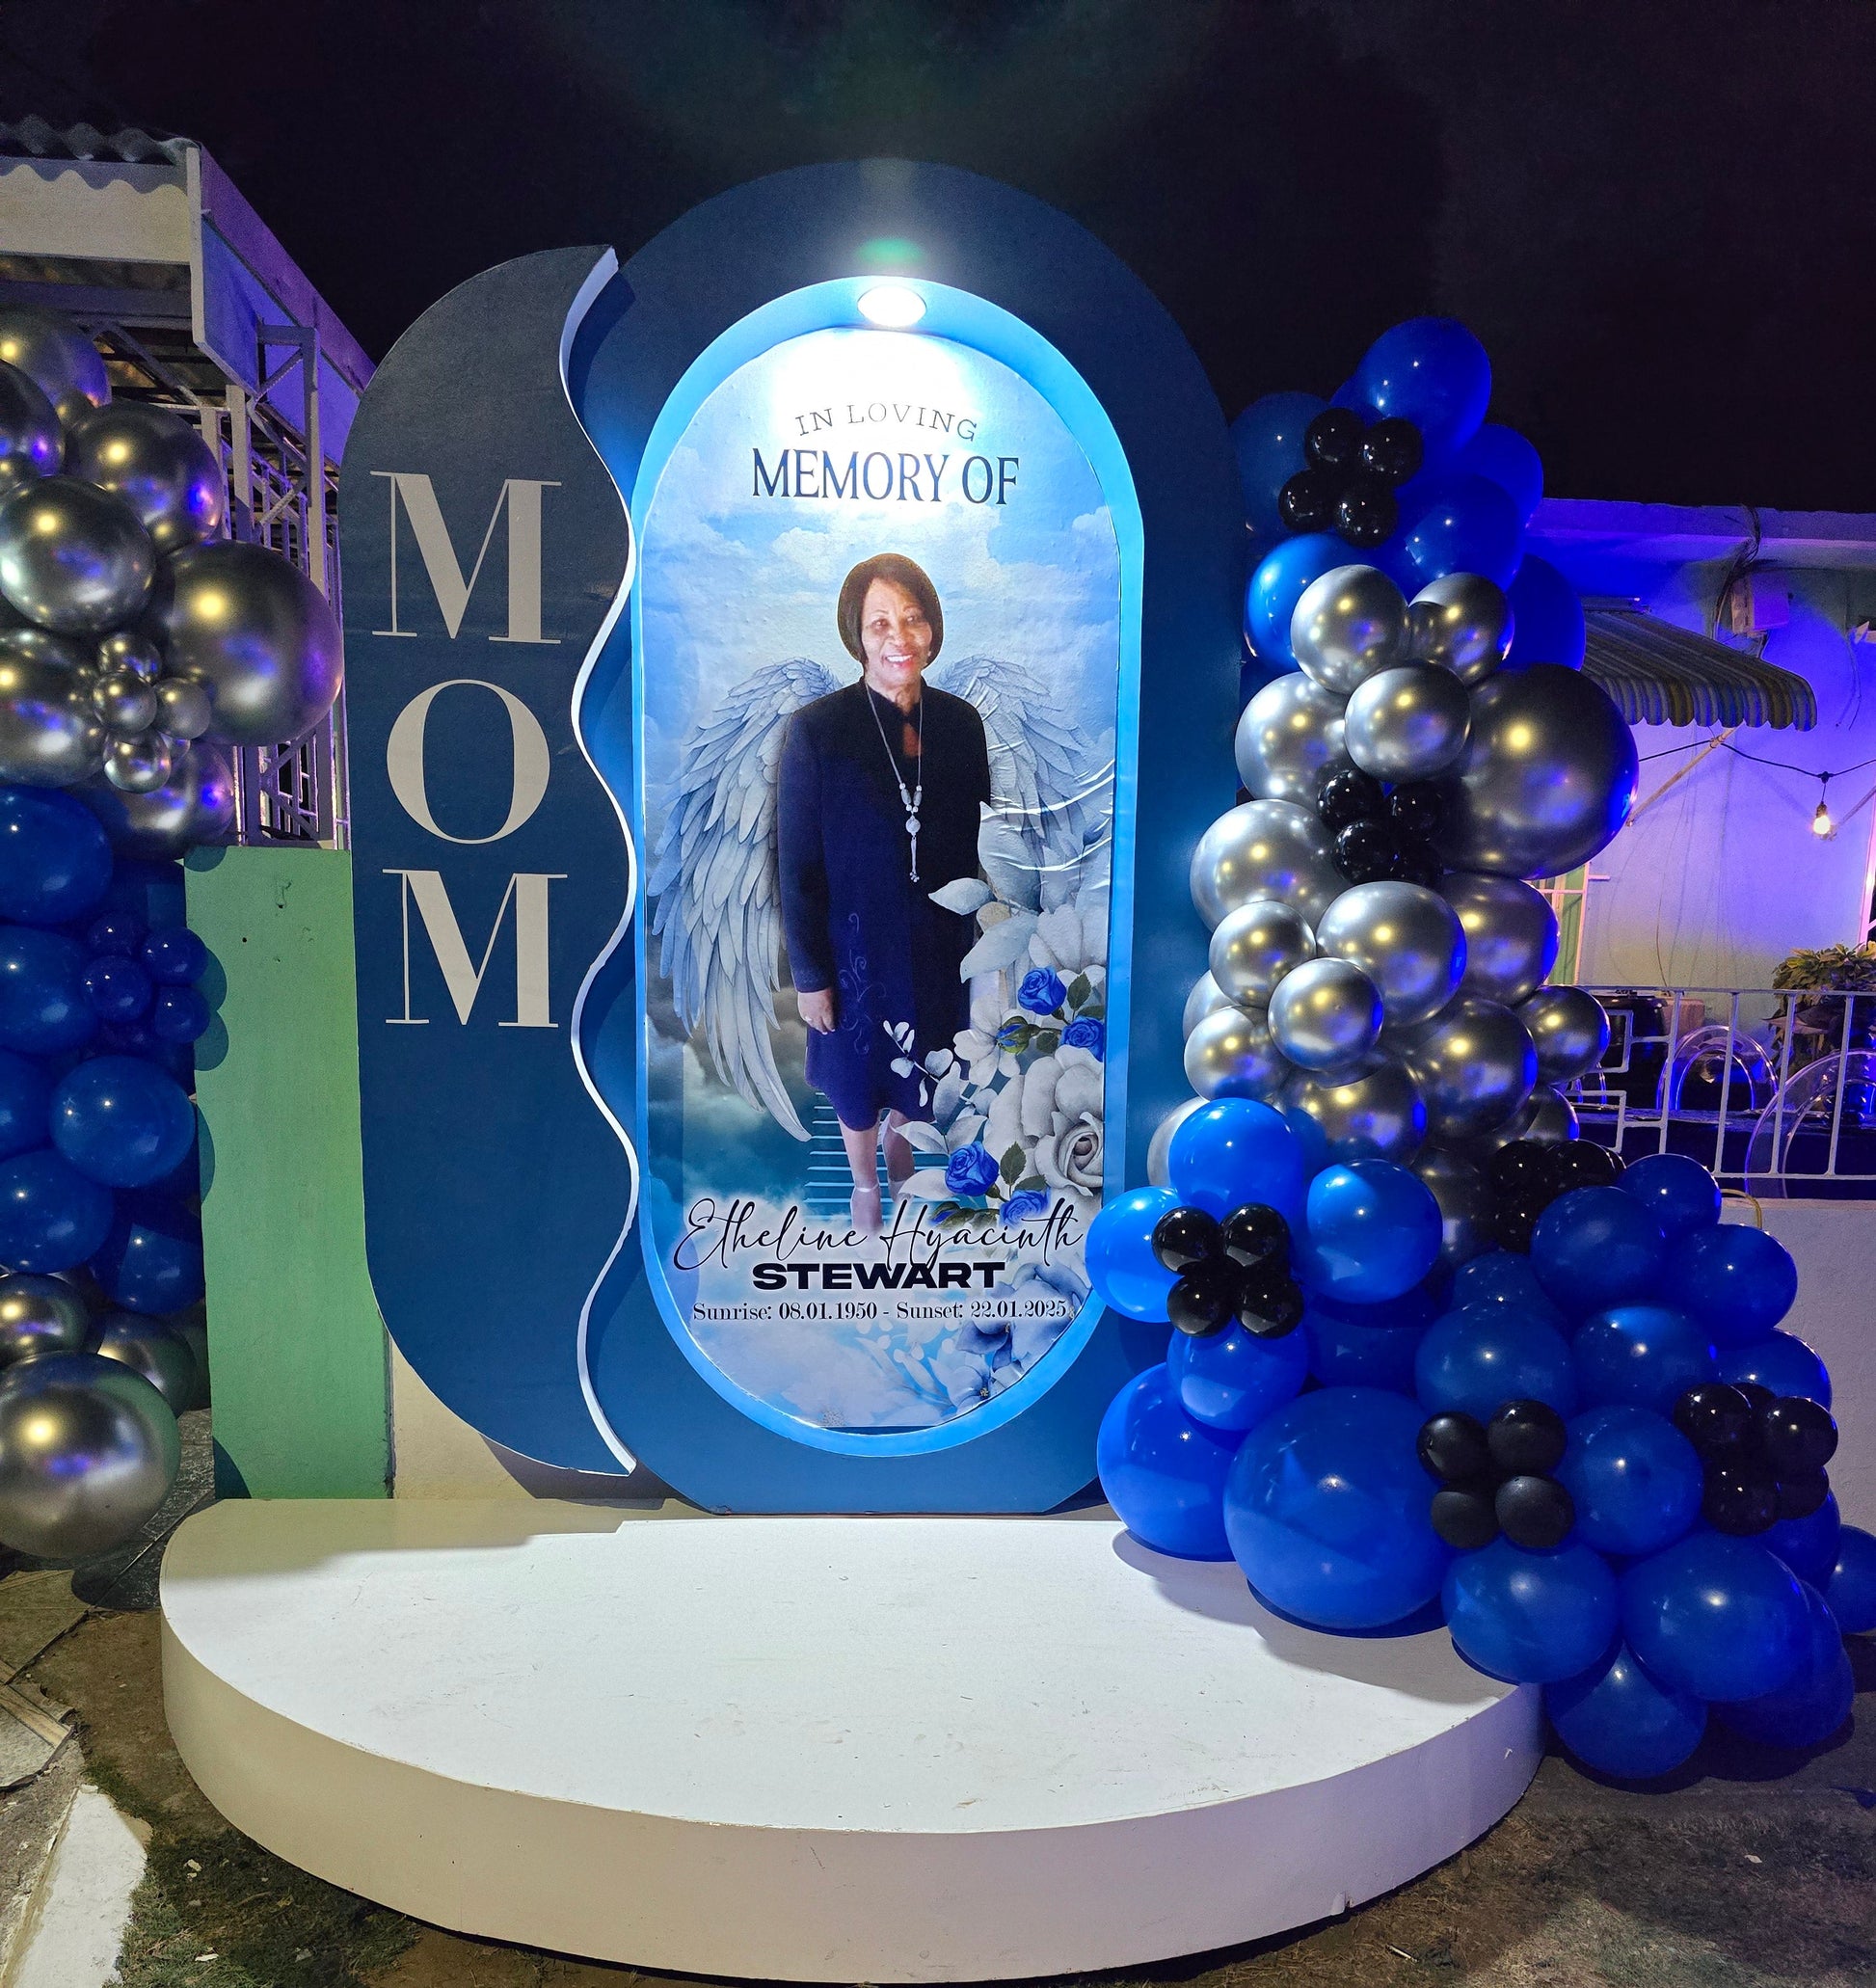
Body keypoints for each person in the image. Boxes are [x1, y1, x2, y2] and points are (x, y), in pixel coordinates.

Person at [778, 553, 992, 1236]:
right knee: (856, 1076)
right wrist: (810, 977)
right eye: (880, 623)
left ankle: (905, 1171)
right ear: (857, 634)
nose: (899, 637)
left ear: (932, 628)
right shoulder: (816, 730)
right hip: (854, 947)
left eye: (912, 618)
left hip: (940, 945)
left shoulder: (961, 723)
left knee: (925, 1071)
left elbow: (987, 841)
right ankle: (865, 1185)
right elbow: (796, 865)